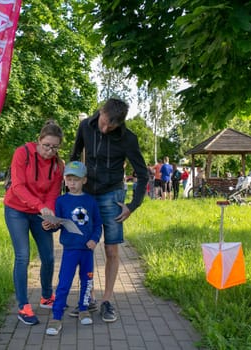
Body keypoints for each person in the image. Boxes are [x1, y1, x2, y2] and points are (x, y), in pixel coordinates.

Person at [70, 98, 149, 323]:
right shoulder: (85, 126)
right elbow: (74, 156)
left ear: (120, 123)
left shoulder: (128, 139)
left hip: (112, 196)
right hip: (87, 194)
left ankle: (107, 300)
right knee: (84, 247)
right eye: (104, 122)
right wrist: (70, 190)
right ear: (101, 112)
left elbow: (143, 175)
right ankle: (88, 297)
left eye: (111, 127)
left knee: (111, 250)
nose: (105, 129)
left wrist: (133, 205)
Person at [4, 120, 64, 326]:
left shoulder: (58, 165)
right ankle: (23, 305)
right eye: (47, 145)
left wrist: (49, 216)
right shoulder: (23, 153)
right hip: (16, 210)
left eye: (55, 147)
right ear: (39, 141)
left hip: (39, 213)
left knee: (48, 256)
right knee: (22, 256)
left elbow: (53, 194)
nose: (50, 151)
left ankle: (47, 297)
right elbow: (18, 186)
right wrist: (41, 207)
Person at [45, 161, 103, 336]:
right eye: (69, 179)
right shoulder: (61, 201)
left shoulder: (90, 201)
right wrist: (51, 225)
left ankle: (84, 308)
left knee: (87, 281)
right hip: (70, 249)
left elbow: (98, 224)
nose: (72, 183)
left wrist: (94, 240)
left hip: (87, 250)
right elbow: (58, 224)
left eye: (76, 180)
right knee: (64, 283)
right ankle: (56, 317)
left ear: (84, 180)